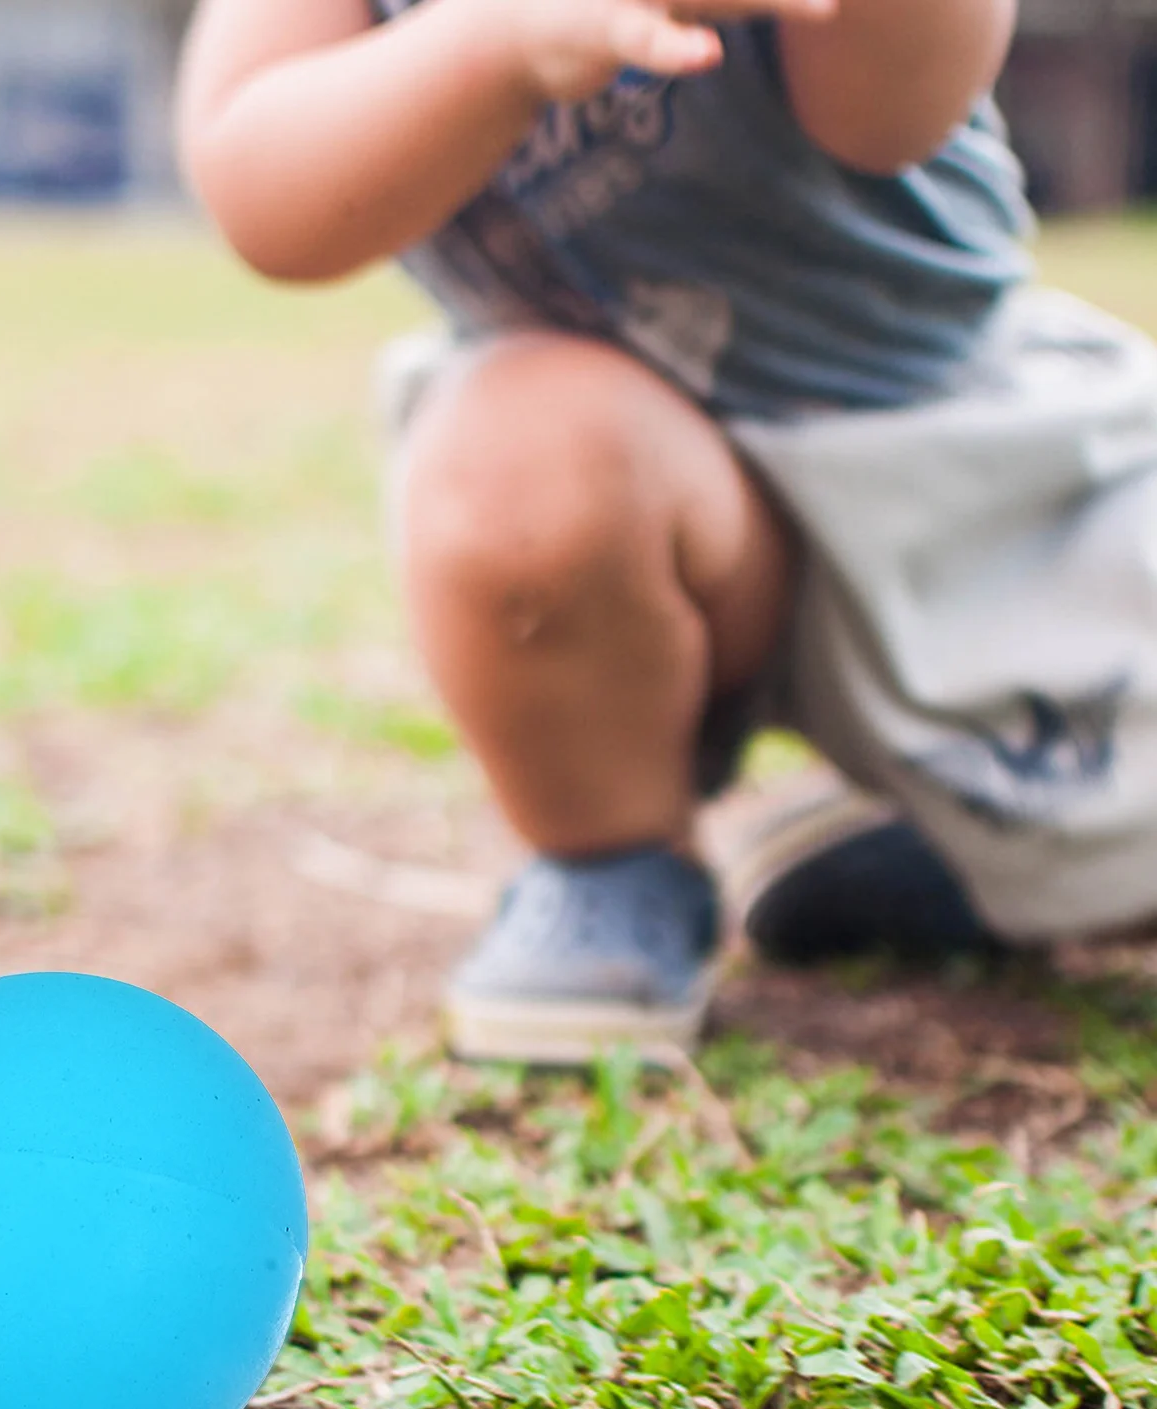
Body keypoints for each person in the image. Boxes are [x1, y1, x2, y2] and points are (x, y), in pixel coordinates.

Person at [175, 0, 1157, 1065]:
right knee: (513, 459)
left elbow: (887, 114)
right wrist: (496, 43)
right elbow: (266, 195)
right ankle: (612, 858)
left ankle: (967, 856)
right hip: (615, 475)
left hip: (969, 480)